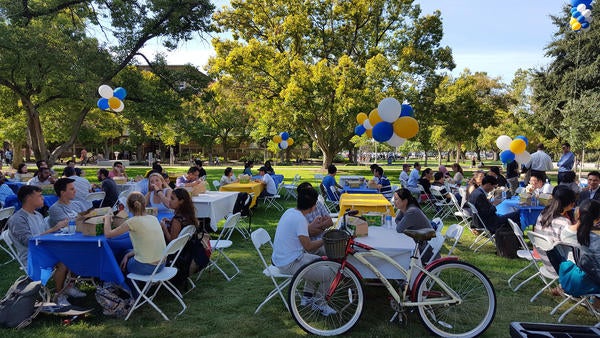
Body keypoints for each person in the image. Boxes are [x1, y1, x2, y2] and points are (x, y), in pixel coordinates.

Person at [8, 185, 83, 306]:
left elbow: (45, 235)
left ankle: (68, 286)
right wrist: (54, 228)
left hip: (44, 251)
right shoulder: (18, 219)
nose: (43, 198)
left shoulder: (37, 215)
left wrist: (57, 230)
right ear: (29, 198)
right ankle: (59, 296)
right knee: (63, 262)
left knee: (73, 254)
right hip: (32, 256)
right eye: (39, 196)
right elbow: (28, 241)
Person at [271, 187, 335, 315]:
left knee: (319, 262)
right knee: (332, 273)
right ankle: (320, 303)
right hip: (289, 263)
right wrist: (325, 239)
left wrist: (314, 226)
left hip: (282, 259)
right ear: (313, 206)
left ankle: (307, 297)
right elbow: (309, 247)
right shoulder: (300, 219)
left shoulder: (290, 212)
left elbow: (302, 231)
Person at [103, 192, 166, 282]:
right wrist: (128, 255)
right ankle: (138, 286)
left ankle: (127, 289)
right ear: (144, 204)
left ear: (128, 207)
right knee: (127, 252)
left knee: (118, 256)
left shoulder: (132, 222)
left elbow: (108, 234)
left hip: (147, 266)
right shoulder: (154, 218)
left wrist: (107, 219)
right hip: (161, 264)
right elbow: (148, 246)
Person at [534, 186, 576, 276]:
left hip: (545, 260)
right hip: (560, 266)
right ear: (570, 203)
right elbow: (572, 245)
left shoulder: (543, 213)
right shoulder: (564, 222)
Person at [393, 188, 438, 263]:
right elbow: (397, 220)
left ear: (405, 201)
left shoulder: (412, 211)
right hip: (416, 242)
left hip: (421, 250)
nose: (394, 202)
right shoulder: (404, 208)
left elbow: (399, 229)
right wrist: (403, 224)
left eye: (396, 199)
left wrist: (403, 225)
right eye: (394, 199)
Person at [296, 182, 333, 253]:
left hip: (321, 239)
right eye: (308, 193)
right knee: (336, 252)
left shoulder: (318, 203)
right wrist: (323, 227)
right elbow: (310, 235)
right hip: (313, 245)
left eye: (311, 191)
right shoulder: (299, 214)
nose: (311, 194)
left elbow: (330, 222)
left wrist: (319, 227)